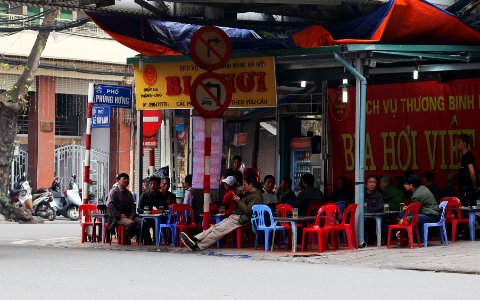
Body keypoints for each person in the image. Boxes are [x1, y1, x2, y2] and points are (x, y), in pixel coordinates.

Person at [180, 176, 263, 251]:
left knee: (219, 230)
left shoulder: (256, 196)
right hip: (235, 216)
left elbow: (248, 211)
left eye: (245, 185)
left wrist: (239, 201)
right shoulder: (248, 194)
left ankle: (198, 245)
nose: (243, 186)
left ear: (251, 184)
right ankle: (195, 238)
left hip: (240, 218)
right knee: (215, 227)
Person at [401, 174, 441, 242]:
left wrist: (407, 211)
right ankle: (411, 237)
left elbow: (414, 212)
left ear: (411, 185)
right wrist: (408, 208)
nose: (404, 185)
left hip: (431, 216)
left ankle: (415, 239)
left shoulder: (416, 195)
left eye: (405, 184)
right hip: (432, 213)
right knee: (406, 215)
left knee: (407, 217)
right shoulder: (422, 187)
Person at [107, 173, 140, 244]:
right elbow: (110, 206)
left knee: (142, 222)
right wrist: (119, 215)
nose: (126, 180)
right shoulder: (114, 191)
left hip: (128, 215)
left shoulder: (129, 193)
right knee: (131, 224)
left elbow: (132, 206)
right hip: (117, 216)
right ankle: (123, 237)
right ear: (118, 180)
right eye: (124, 179)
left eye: (127, 179)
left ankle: (138, 239)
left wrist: (132, 215)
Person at [137, 176, 165, 244]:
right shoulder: (144, 195)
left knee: (158, 223)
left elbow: (164, 209)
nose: (152, 185)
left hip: (158, 218)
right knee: (143, 224)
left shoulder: (162, 196)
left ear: (158, 185)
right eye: (151, 183)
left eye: (154, 183)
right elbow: (139, 209)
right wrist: (145, 212)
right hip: (146, 218)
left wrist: (153, 212)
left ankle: (157, 241)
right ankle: (147, 239)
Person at [457, 134, 477, 207]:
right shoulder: (463, 157)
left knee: (467, 209)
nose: (457, 144)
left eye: (459, 142)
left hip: (467, 189)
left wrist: (474, 186)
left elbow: (472, 173)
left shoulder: (468, 156)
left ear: (464, 143)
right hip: (463, 188)